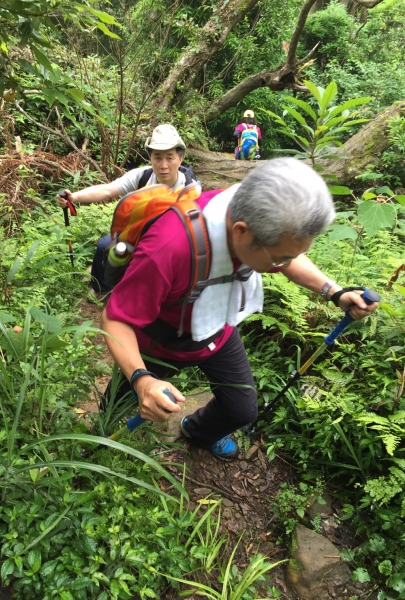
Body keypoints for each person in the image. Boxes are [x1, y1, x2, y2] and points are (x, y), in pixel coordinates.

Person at [100, 158, 378, 461]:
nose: (284, 265)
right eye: (280, 259)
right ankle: (99, 442)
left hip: (217, 328)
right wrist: (143, 379)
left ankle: (199, 430)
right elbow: (115, 319)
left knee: (241, 409)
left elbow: (289, 255)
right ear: (242, 232)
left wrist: (334, 291)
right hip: (158, 342)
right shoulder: (170, 248)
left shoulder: (252, 215)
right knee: (117, 406)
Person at [57, 124, 196, 301]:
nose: (163, 165)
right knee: (105, 246)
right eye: (157, 157)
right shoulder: (143, 176)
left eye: (170, 157)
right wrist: (74, 197)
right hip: (137, 236)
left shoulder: (190, 189)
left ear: (180, 158)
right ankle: (101, 287)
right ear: (150, 158)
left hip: (170, 243)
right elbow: (108, 190)